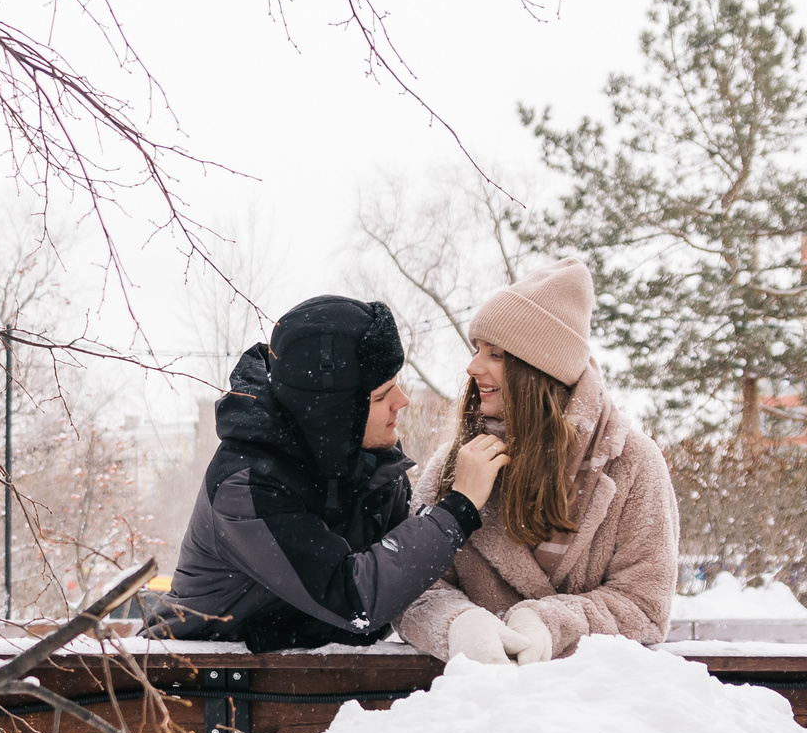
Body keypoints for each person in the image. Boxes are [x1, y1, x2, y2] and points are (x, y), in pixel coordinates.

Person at [142, 295, 506, 650]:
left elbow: (412, 574)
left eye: (397, 384)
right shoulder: (248, 485)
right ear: (334, 416)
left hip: (305, 684)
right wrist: (458, 507)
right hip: (189, 683)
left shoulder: (372, 460)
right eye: (381, 396)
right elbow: (354, 598)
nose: (403, 401)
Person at [397, 257, 677, 666]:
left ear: (540, 371)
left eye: (496, 354)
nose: (474, 367)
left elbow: (644, 604)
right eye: (478, 350)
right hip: (473, 707)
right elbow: (412, 587)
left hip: (592, 709)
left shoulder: (631, 463)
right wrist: (460, 626)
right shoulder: (453, 464)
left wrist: (549, 623)